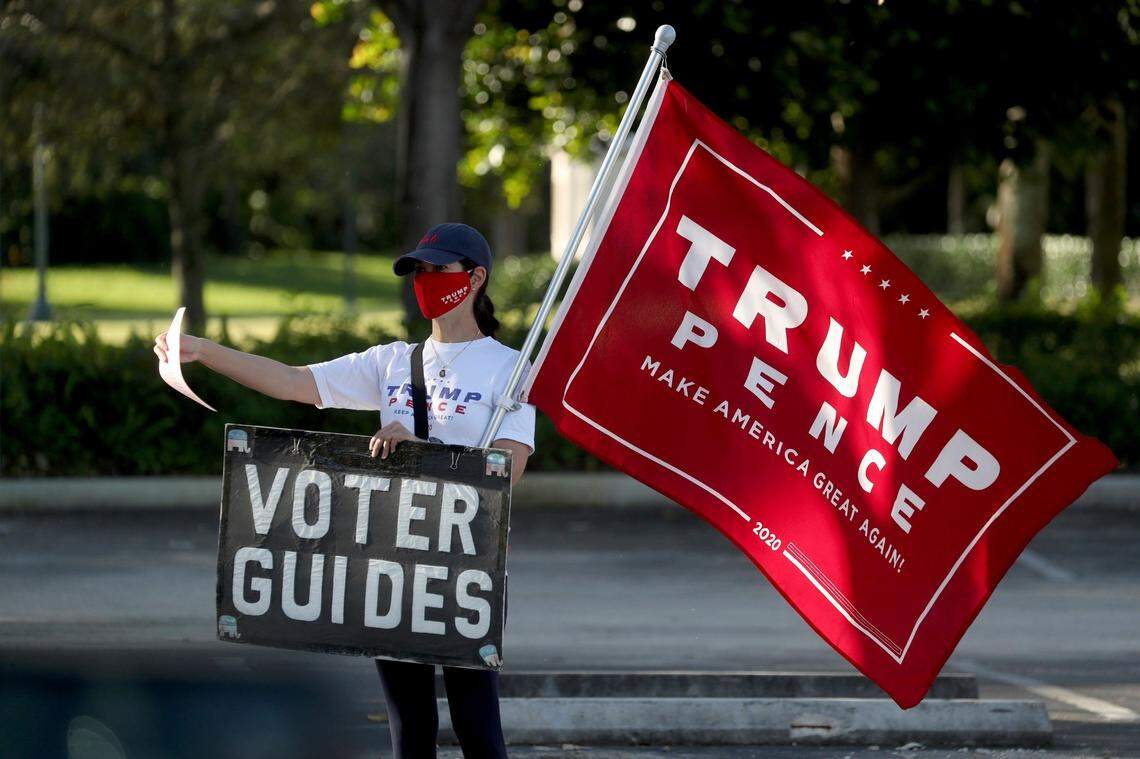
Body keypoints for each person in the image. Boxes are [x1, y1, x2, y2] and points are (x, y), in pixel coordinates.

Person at [154, 222, 535, 758]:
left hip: (464, 565)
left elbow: (508, 468)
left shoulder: (511, 368)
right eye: (417, 271)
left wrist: (419, 449)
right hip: (393, 561)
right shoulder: (391, 363)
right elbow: (293, 382)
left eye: (438, 270)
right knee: (409, 730)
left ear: (475, 278)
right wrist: (201, 350)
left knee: (479, 727)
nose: (424, 280)